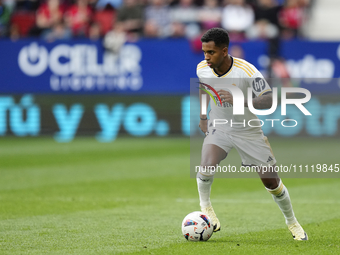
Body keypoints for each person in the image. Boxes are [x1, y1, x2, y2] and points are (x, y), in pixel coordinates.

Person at [196, 27, 308, 241]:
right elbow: (204, 88)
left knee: (271, 183)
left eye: (211, 52)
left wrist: (239, 99)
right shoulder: (202, 68)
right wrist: (203, 116)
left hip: (248, 129)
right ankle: (206, 209)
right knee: (206, 166)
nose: (206, 57)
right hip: (220, 125)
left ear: (224, 50)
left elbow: (268, 99)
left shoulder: (247, 71)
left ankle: (292, 222)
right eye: (204, 52)